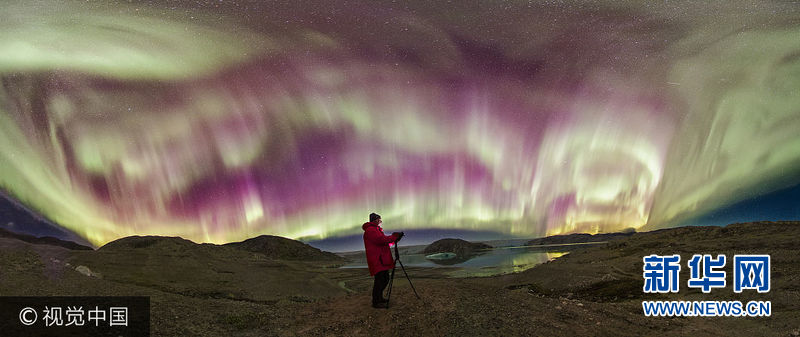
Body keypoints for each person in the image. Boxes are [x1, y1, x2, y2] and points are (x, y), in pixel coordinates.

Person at [362, 212, 404, 308]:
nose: (380, 221)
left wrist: (395, 240)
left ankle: (379, 298)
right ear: (374, 220)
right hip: (377, 260)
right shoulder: (370, 230)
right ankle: (376, 302)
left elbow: (386, 243)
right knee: (380, 280)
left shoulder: (376, 230)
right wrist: (394, 236)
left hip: (381, 260)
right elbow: (381, 240)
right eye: (378, 219)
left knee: (385, 279)